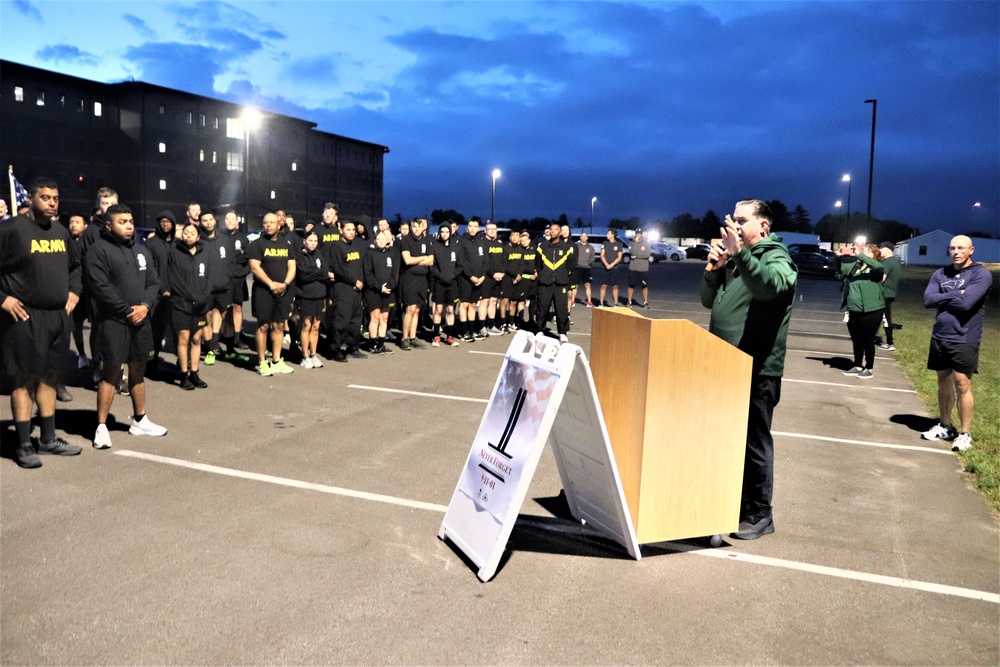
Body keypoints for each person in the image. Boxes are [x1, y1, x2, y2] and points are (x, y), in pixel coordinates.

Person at [700, 199, 797, 540]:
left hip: (758, 367)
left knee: (754, 442)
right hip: (729, 364)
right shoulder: (743, 261)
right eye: (733, 219)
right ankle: (737, 504)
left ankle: (760, 513)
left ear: (764, 226)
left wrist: (740, 255)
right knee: (732, 439)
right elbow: (709, 301)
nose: (735, 225)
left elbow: (770, 286)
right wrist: (715, 269)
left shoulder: (775, 257)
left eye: (742, 220)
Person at [0, 176, 84, 468]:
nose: (52, 203)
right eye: (45, 198)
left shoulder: (60, 232)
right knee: (24, 379)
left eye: (56, 198)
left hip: (57, 317)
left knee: (50, 377)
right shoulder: (12, 230)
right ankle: (23, 444)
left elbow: (75, 267)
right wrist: (3, 298)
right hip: (24, 316)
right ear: (30, 199)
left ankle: (48, 439)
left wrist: (74, 290)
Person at [84, 204, 167, 449]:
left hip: (141, 321)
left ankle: (139, 420)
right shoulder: (98, 251)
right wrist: (127, 309)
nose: (129, 225)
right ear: (109, 225)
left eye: (131, 221)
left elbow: (154, 283)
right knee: (110, 373)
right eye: (123, 221)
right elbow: (100, 288)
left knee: (138, 370)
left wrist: (145, 306)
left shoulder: (142, 251)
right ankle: (101, 427)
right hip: (113, 322)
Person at [920, 235, 993, 452]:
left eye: (961, 248)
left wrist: (944, 295)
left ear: (971, 250)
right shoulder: (940, 273)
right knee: (943, 380)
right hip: (941, 335)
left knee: (962, 383)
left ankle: (965, 434)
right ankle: (945, 426)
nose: (956, 252)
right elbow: (927, 300)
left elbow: (967, 303)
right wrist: (956, 293)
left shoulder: (981, 274)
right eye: (952, 248)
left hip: (965, 336)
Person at [247, 212, 296, 375]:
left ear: (279, 225)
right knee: (263, 326)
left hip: (283, 291)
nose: (268, 225)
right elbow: (255, 267)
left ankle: (276, 360)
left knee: (279, 325)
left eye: (271, 222)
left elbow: (292, 267)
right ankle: (262, 362)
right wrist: (271, 284)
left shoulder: (287, 245)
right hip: (263, 292)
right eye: (265, 222)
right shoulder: (257, 245)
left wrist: (284, 284)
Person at [168, 222, 212, 390]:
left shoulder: (204, 253)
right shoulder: (175, 252)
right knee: (184, 338)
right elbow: (175, 280)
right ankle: (183, 374)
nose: (188, 235)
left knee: (196, 339)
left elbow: (209, 277)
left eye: (192, 233)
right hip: (182, 304)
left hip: (200, 305)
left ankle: (195, 373)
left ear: (198, 236)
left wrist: (204, 297)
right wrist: (192, 297)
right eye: (186, 232)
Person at [838, 242, 885, 379]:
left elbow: (879, 267)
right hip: (853, 309)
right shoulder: (855, 268)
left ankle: (868, 367)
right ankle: (857, 365)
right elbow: (839, 267)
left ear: (874, 255)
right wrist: (838, 256)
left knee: (868, 340)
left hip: (872, 310)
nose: (864, 251)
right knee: (856, 339)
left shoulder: (875, 269)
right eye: (863, 249)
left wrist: (861, 255)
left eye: (868, 250)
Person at [198, 210, 235, 367]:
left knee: (225, 314)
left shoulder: (225, 239)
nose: (208, 222)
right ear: (201, 223)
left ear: (214, 221)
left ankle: (223, 345)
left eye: (210, 219)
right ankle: (210, 349)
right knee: (206, 316)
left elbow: (231, 262)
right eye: (204, 220)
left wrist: (227, 278)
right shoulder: (199, 241)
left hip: (223, 286)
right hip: (205, 288)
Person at [328, 220, 367, 362]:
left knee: (356, 320)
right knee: (341, 321)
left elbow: (360, 266)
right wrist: (354, 281)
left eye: (353, 230)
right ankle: (335, 349)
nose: (352, 232)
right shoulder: (336, 247)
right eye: (348, 229)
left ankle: (352, 347)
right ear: (341, 231)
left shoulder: (356, 246)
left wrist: (360, 282)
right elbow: (339, 270)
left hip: (357, 290)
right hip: (343, 288)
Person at [144, 210, 176, 369]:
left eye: (168, 221)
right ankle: (151, 361)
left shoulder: (177, 243)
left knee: (177, 330)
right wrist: (163, 289)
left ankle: (182, 363)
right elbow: (151, 270)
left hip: (176, 293)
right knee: (155, 329)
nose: (165, 224)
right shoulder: (151, 244)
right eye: (162, 221)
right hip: (157, 294)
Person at [294, 229, 329, 368]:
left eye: (315, 241)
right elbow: (303, 276)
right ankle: (305, 356)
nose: (313, 243)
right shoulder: (299, 256)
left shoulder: (320, 255)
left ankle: (314, 354)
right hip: (305, 296)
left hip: (320, 296)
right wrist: (318, 273)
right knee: (306, 325)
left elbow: (325, 273)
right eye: (310, 241)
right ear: (304, 242)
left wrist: (316, 273)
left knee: (316, 327)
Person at [535, 221, 574, 342]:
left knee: (561, 308)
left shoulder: (567, 248)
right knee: (542, 307)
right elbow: (538, 264)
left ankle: (562, 332)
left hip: (560, 284)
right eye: (551, 230)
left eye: (555, 230)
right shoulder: (542, 247)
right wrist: (544, 275)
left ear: (560, 232)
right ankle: (540, 330)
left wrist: (561, 275)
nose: (552, 232)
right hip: (544, 284)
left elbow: (571, 265)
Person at [398, 218, 434, 350]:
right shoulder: (405, 240)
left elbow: (431, 261)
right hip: (409, 279)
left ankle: (413, 337)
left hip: (422, 280)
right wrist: (422, 258)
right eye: (414, 227)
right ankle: (404, 338)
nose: (416, 229)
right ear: (411, 227)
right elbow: (407, 260)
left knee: (418, 309)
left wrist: (417, 260)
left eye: (419, 227)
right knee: (410, 309)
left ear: (423, 228)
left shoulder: (427, 241)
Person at [363, 228, 400, 355]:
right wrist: (380, 287)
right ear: (375, 240)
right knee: (375, 318)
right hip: (373, 292)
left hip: (389, 291)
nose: (381, 241)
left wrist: (389, 286)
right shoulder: (370, 254)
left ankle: (381, 344)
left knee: (384, 318)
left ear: (387, 240)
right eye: (378, 239)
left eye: (383, 239)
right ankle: (373, 345)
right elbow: (368, 274)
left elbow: (395, 274)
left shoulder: (392, 254)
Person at [220, 210, 251, 358]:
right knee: (226, 310)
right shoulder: (220, 237)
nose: (230, 221)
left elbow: (248, 258)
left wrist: (242, 271)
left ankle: (238, 337)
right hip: (225, 279)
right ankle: (227, 339)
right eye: (228, 219)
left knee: (238, 307)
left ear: (237, 222)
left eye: (233, 219)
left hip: (238, 279)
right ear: (224, 221)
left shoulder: (243, 238)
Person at [430, 223, 460, 346]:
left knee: (450, 310)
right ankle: (436, 336)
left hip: (452, 284)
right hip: (439, 283)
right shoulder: (435, 246)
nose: (444, 234)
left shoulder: (456, 247)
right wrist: (441, 277)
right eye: (442, 232)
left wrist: (453, 276)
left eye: (447, 232)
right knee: (438, 310)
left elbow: (460, 266)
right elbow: (432, 266)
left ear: (450, 233)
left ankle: (449, 337)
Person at [457, 219, 487, 341]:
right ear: (467, 228)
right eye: (471, 226)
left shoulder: (481, 242)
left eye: (475, 226)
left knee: (473, 305)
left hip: (479, 279)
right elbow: (462, 262)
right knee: (464, 304)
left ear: (478, 228)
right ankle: (463, 332)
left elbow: (486, 261)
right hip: (466, 279)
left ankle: (471, 330)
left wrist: (483, 276)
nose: (473, 228)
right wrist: (471, 276)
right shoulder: (462, 242)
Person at [482, 221, 507, 335]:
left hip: (499, 278)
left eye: (494, 229)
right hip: (487, 277)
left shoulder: (500, 245)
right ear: (485, 231)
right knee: (485, 302)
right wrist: (493, 274)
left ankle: (491, 326)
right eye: (489, 229)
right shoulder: (482, 244)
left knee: (493, 301)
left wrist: (502, 273)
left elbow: (503, 261)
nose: (492, 231)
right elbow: (483, 263)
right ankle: (482, 326)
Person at [877, 242, 901, 351]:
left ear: (888, 249)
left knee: (886, 318)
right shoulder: (895, 261)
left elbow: (881, 278)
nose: (879, 251)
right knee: (883, 317)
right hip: (891, 293)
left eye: (881, 248)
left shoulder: (887, 262)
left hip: (885, 294)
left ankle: (890, 343)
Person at [598, 229, 624, 307]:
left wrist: (611, 265)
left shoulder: (619, 244)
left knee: (615, 286)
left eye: (608, 233)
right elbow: (602, 255)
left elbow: (619, 257)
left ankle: (615, 304)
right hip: (605, 267)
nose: (607, 234)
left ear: (613, 235)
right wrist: (606, 264)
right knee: (603, 285)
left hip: (614, 268)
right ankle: (601, 303)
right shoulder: (605, 243)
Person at [627, 229, 652, 308]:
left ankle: (645, 302)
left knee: (644, 285)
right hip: (633, 267)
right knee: (631, 285)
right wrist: (636, 243)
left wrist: (637, 256)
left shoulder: (646, 244)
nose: (638, 235)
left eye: (639, 233)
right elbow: (631, 252)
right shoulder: (632, 243)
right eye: (637, 233)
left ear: (642, 235)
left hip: (643, 268)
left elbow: (647, 255)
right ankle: (629, 301)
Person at [573, 232, 595, 307]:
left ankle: (589, 302)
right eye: (582, 236)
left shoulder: (590, 247)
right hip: (577, 268)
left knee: (588, 285)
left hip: (586, 269)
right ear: (580, 237)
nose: (584, 238)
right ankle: (572, 301)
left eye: (585, 236)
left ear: (587, 238)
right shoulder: (576, 246)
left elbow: (592, 257)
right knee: (575, 285)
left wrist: (588, 263)